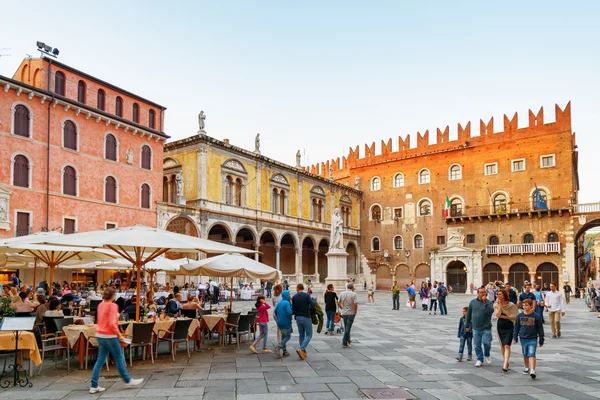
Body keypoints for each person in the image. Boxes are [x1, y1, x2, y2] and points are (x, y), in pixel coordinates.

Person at [89, 288, 143, 393]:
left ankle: (94, 384)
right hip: (110, 335)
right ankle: (127, 380)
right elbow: (112, 323)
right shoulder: (113, 306)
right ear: (113, 296)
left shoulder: (100, 305)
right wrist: (119, 335)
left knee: (100, 360)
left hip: (100, 334)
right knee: (119, 358)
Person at [513, 298, 544, 379]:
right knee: (525, 353)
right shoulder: (520, 316)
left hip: (533, 338)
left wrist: (541, 339)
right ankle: (527, 367)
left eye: (526, 305)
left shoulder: (536, 317)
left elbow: (540, 328)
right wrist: (515, 337)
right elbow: (516, 327)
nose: (524, 307)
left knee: (532, 353)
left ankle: (533, 370)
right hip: (523, 338)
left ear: (531, 306)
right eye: (523, 305)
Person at [466, 287, 494, 367]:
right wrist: (467, 325)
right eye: (481, 292)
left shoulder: (489, 302)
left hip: (486, 327)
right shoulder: (473, 302)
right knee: (477, 345)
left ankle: (487, 354)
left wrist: (485, 302)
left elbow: (490, 312)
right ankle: (479, 359)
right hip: (476, 327)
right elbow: (469, 314)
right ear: (478, 293)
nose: (483, 294)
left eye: (484, 292)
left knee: (486, 343)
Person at [494, 289, 518, 372]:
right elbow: (497, 315)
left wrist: (505, 317)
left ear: (504, 295)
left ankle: (505, 363)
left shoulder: (511, 305)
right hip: (500, 326)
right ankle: (505, 361)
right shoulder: (496, 304)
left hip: (509, 325)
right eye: (498, 294)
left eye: (500, 294)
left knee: (507, 345)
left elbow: (515, 316)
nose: (498, 296)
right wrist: (500, 304)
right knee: (502, 345)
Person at [291, 283, 316, 360]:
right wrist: (314, 300)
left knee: (301, 334)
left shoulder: (294, 297)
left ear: (297, 288)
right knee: (309, 334)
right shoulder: (307, 296)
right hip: (306, 317)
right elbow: (313, 305)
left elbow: (293, 308)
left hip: (298, 317)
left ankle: (303, 352)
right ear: (303, 288)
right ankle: (301, 348)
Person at [338, 282, 358, 348]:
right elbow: (355, 304)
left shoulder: (342, 293)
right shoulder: (354, 294)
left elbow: (338, 302)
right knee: (348, 328)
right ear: (352, 287)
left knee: (346, 326)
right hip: (351, 313)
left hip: (344, 313)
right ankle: (344, 342)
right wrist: (355, 311)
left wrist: (342, 308)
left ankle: (348, 340)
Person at [273, 289, 293, 358]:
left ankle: (285, 352)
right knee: (288, 336)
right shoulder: (287, 303)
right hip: (286, 322)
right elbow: (289, 312)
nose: (290, 296)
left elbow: (275, 311)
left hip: (279, 322)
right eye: (289, 294)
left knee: (283, 337)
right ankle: (278, 347)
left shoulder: (280, 302)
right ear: (286, 295)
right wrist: (292, 310)